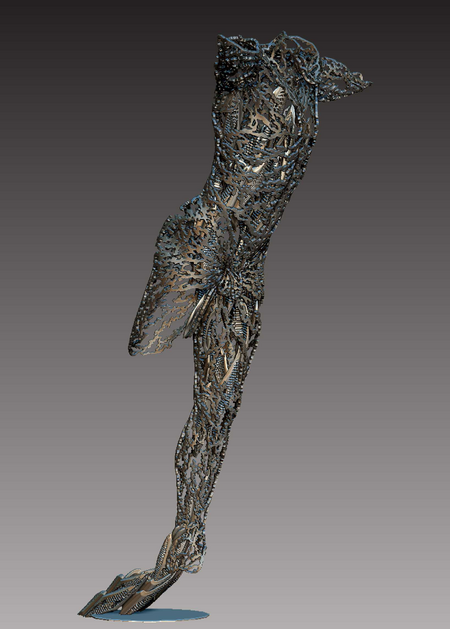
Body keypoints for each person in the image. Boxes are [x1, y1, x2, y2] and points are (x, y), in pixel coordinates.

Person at [79, 31, 371, 617]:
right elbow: (235, 61)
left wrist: (305, 68)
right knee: (160, 360)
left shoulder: (304, 83)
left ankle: (182, 543)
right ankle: (177, 544)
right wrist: (283, 64)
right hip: (203, 243)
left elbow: (351, 81)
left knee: (218, 405)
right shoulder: (243, 72)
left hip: (245, 264)